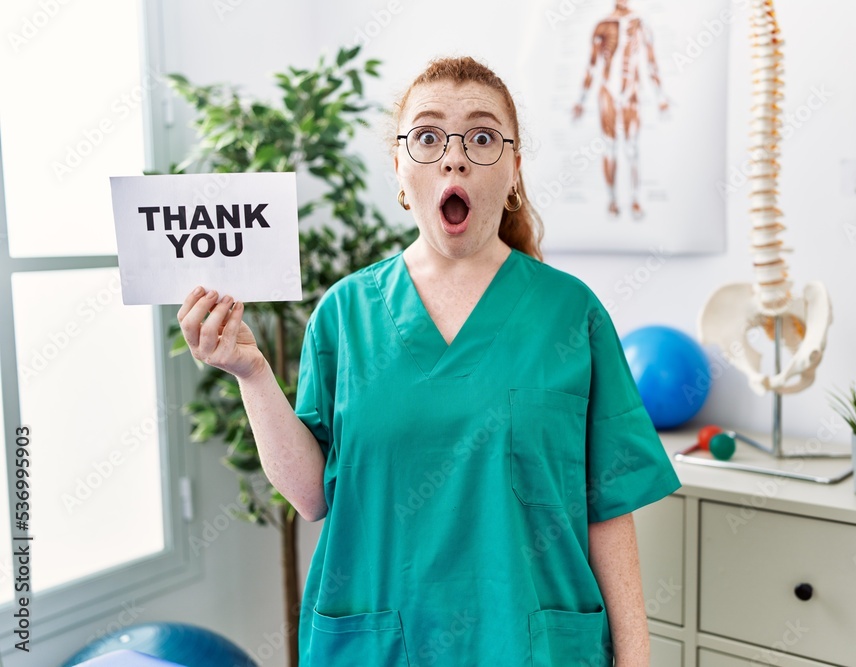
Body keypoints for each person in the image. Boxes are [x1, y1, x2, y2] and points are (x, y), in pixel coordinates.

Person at [176, 55, 681, 667]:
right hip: (381, 646)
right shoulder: (345, 314)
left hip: (531, 648)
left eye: (483, 136)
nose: (455, 155)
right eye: (428, 135)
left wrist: (637, 658)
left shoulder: (573, 316)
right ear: (399, 167)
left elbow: (607, 509)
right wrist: (251, 372)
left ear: (514, 170)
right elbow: (312, 495)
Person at [572, 0, 670, 220]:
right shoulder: (602, 25)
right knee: (610, 148)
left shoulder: (640, 23)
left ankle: (635, 199)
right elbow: (591, 64)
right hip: (607, 93)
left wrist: (661, 97)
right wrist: (581, 100)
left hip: (631, 93)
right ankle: (612, 200)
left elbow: (651, 61)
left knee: (632, 148)